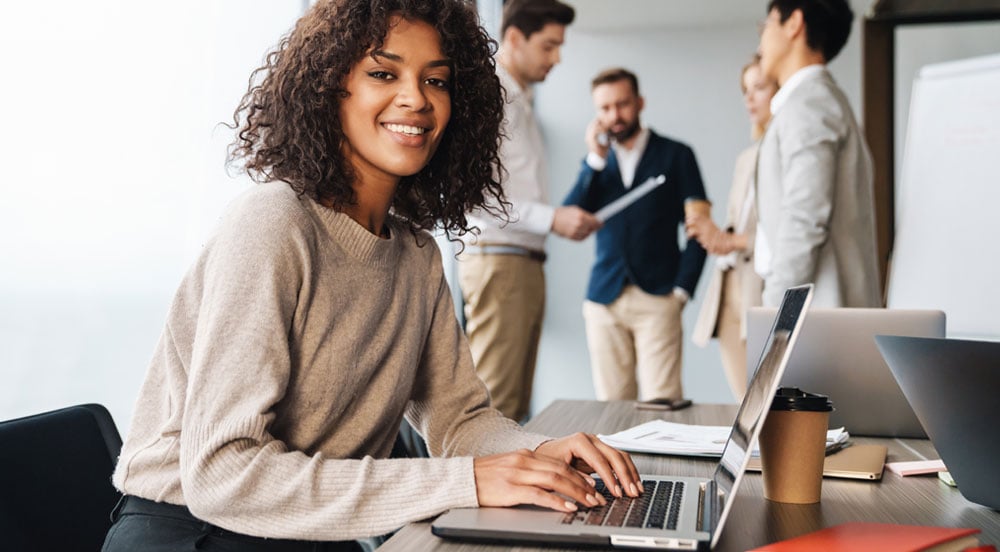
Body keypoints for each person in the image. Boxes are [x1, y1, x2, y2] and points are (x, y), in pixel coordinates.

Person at [101, 1, 642, 550]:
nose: (417, 98)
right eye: (383, 74)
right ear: (329, 88)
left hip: (317, 531)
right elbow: (222, 474)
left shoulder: (417, 255)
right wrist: (467, 481)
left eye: (436, 80)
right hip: (194, 532)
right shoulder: (272, 223)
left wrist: (538, 453)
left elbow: (459, 420)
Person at [458, 0, 600, 423]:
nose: (556, 58)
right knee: (495, 406)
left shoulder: (519, 99)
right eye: (549, 46)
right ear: (515, 38)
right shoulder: (492, 98)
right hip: (501, 261)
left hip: (520, 262)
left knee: (513, 407)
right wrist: (551, 218)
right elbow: (473, 197)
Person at [563, 67, 708, 403]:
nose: (615, 115)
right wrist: (594, 160)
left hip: (659, 296)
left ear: (640, 103)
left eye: (623, 104)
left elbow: (699, 227)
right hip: (604, 299)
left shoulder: (677, 155)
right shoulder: (596, 164)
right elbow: (569, 218)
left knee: (662, 402)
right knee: (612, 406)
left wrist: (682, 290)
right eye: (605, 108)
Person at [754, 0, 881, 308]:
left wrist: (774, 312)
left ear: (794, 23)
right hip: (823, 313)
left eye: (766, 25)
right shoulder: (818, 101)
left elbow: (805, 218)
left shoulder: (810, 104)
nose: (760, 43)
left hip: (816, 315)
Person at [688, 57, 776, 402]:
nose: (748, 99)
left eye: (759, 88)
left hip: (762, 289)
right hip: (728, 289)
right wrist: (713, 234)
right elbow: (737, 224)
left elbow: (788, 234)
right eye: (745, 90)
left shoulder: (788, 155)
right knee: (744, 403)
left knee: (767, 403)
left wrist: (731, 240)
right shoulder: (746, 158)